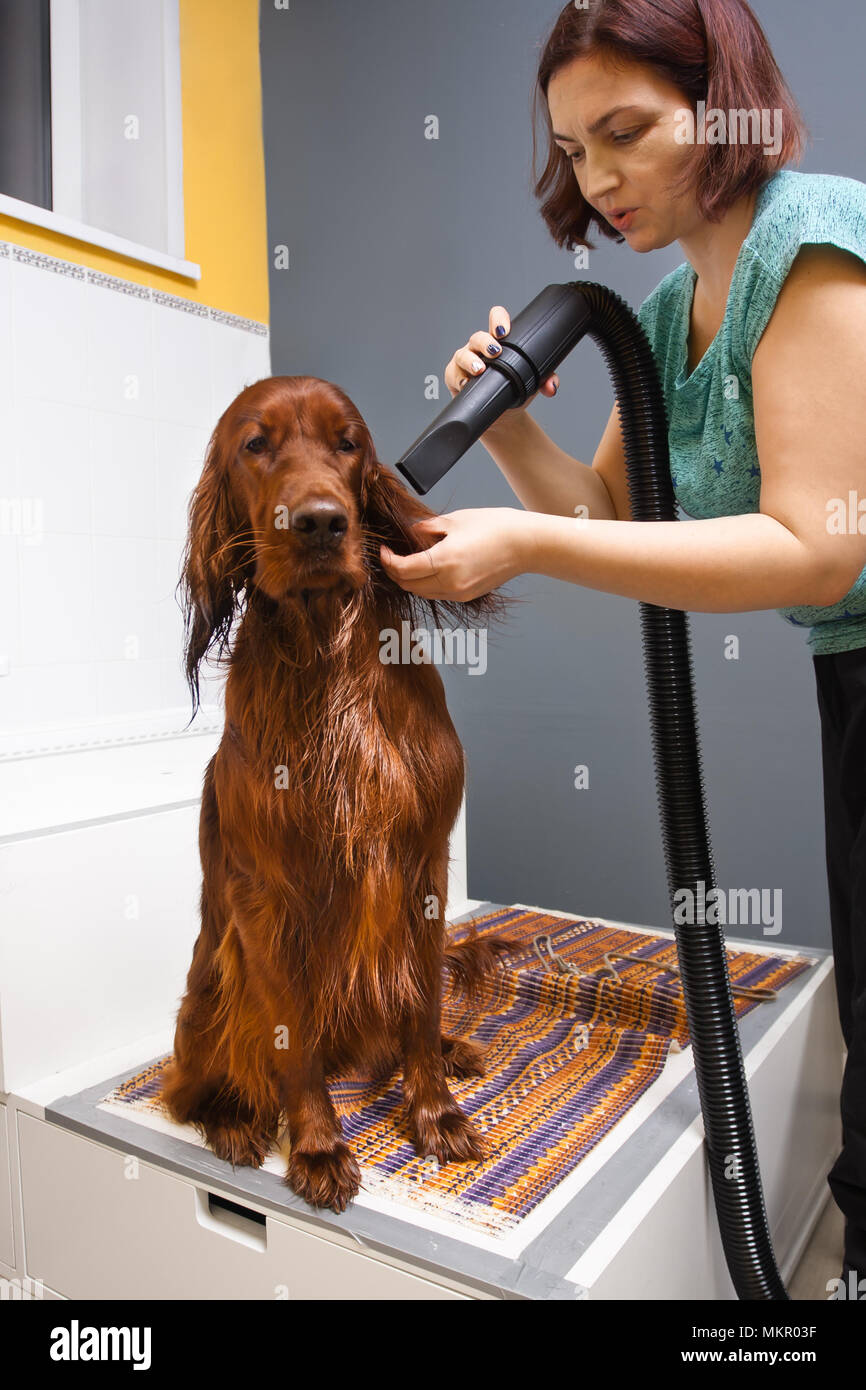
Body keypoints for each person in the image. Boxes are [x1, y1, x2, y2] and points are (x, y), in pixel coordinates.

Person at [379, 0, 866, 1286]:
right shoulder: (657, 316)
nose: (596, 177)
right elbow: (609, 514)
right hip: (848, 665)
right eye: (571, 149)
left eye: (624, 131)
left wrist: (523, 547)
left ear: (723, 102)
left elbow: (816, 546)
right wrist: (505, 430)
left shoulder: (810, 240)